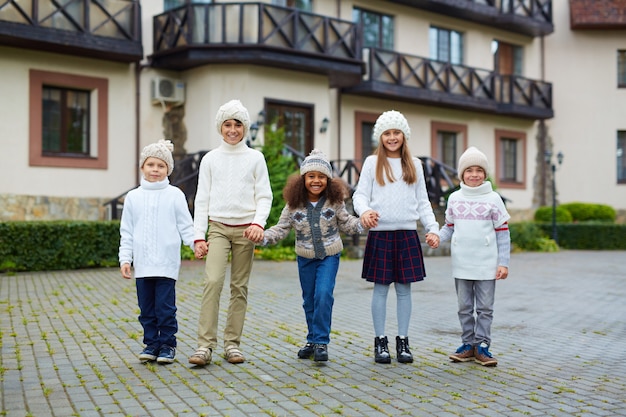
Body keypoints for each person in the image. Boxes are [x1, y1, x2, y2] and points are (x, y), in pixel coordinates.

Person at [259, 149, 369, 362]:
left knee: (323, 294)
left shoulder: (334, 203)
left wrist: (363, 221)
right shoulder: (293, 205)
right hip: (305, 258)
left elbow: (347, 223)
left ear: (328, 180)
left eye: (321, 177)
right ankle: (312, 339)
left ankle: (321, 342)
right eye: (311, 176)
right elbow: (280, 229)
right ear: (303, 179)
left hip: (329, 256)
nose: (316, 181)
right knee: (309, 300)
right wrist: (262, 237)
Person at [189, 99, 273, 366]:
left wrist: (258, 223)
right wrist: (198, 235)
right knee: (213, 282)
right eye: (228, 124)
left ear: (245, 128)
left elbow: (264, 195)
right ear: (220, 127)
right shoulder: (210, 159)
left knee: (239, 287)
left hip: (246, 231)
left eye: (238, 124)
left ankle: (232, 344)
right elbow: (201, 199)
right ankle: (204, 346)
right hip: (218, 229)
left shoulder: (255, 158)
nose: (233, 129)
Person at [352, 110, 440, 364]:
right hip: (380, 235)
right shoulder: (371, 163)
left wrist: (432, 228)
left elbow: (423, 202)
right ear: (380, 137)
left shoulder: (415, 165)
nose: (392, 137)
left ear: (404, 136)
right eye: (387, 133)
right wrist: (365, 211)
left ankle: (403, 341)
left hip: (407, 235)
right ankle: (380, 341)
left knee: (404, 290)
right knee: (380, 289)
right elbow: (359, 196)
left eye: (396, 133)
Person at [119, 139, 195, 364]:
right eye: (151, 164)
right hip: (142, 265)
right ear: (142, 167)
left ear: (168, 169)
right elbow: (127, 231)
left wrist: (195, 244)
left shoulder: (175, 195)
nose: (155, 169)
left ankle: (168, 345)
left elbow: (185, 225)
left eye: (161, 166)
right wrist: (126, 259)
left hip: (166, 264)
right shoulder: (133, 197)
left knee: (165, 308)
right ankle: (151, 344)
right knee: (146, 309)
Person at [438, 146, 511, 367]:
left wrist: (503, 263)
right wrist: (437, 237)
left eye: (479, 170)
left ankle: (482, 346)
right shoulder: (454, 198)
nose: (474, 174)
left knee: (485, 307)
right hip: (462, 263)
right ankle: (467, 345)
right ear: (462, 174)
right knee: (464, 307)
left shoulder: (494, 199)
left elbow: (503, 233)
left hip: (487, 264)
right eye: (469, 170)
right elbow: (449, 227)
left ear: (485, 174)